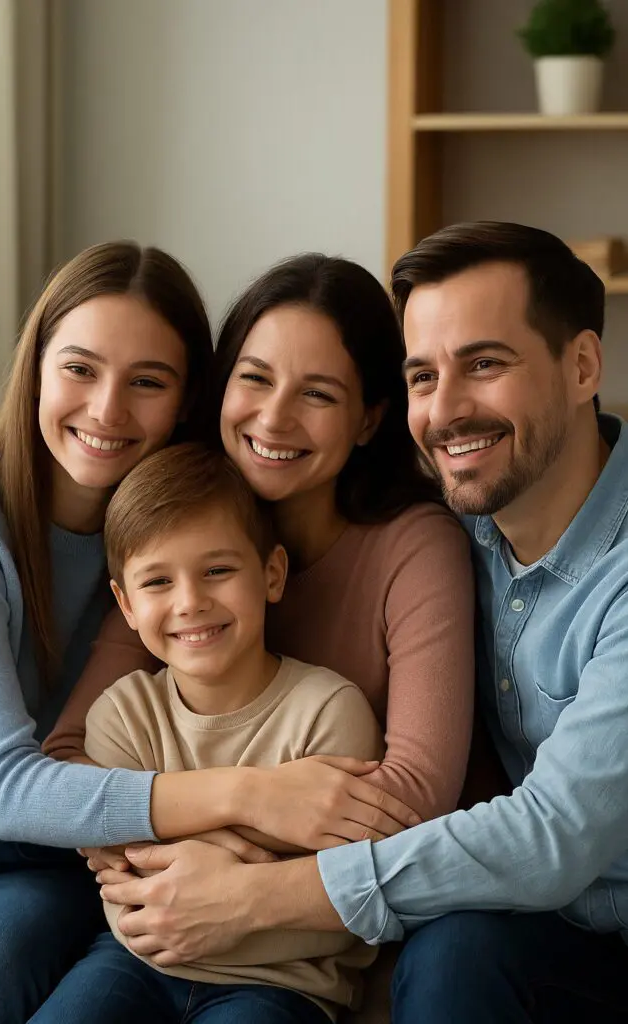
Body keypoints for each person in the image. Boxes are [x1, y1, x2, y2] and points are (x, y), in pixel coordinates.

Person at [90, 224, 628, 1024]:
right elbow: (67, 757)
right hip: (519, 922)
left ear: (582, 365)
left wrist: (254, 895)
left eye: (484, 363)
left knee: (453, 955)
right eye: (422, 375)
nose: (444, 410)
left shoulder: (457, 548)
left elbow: (549, 836)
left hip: (591, 920)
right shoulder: (468, 522)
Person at [43, 254, 476, 1013]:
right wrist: (216, 832)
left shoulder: (413, 544)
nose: (274, 419)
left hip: (322, 942)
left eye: (317, 394)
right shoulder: (180, 533)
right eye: (254, 378)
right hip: (156, 933)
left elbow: (408, 799)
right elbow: (68, 763)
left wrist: (240, 892)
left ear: (370, 417)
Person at [0, 240, 217, 1024]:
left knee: (8, 950)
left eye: (147, 383)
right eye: (80, 369)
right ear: (35, 366)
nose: (106, 410)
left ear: (184, 401)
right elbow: (1, 790)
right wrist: (257, 797)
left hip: (41, 861)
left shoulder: (180, 557)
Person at [31, 441, 386, 1024]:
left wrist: (173, 851)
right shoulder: (120, 715)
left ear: (272, 573)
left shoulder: (329, 712)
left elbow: (345, 898)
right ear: (123, 603)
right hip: (137, 961)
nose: (191, 602)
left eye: (217, 570)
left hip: (284, 987)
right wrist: (248, 849)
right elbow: (123, 890)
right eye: (157, 582)